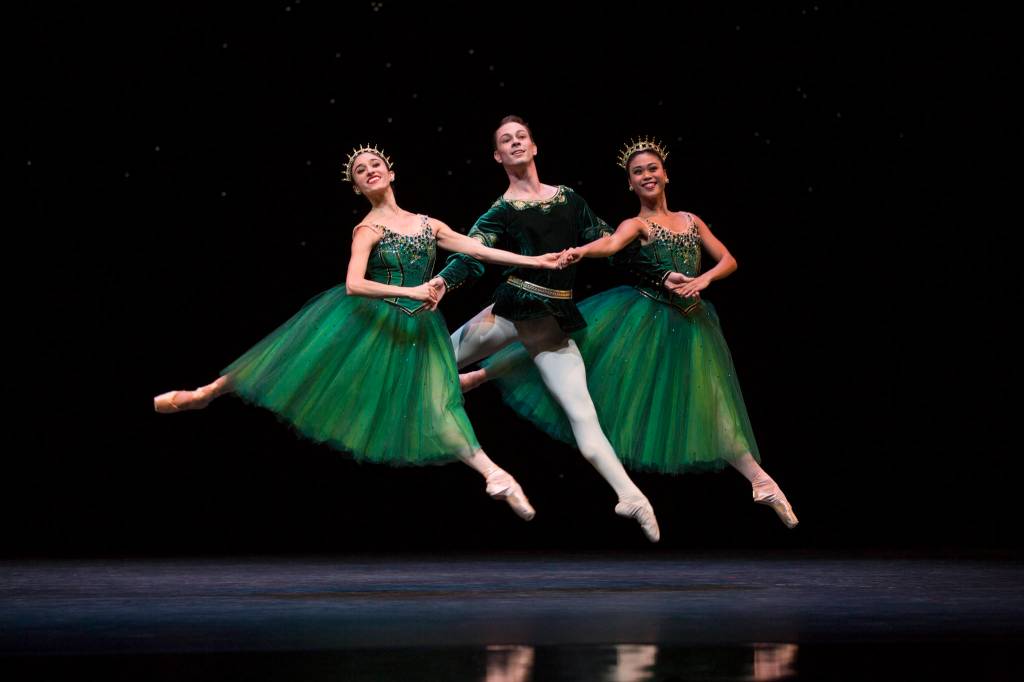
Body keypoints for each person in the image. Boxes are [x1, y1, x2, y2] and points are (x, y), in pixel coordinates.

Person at [152, 144, 572, 521]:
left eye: (375, 164)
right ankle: (207, 393)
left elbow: (477, 249)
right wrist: (410, 289)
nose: (368, 170)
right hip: (367, 320)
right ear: (356, 187)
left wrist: (536, 262)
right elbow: (355, 282)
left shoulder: (428, 224)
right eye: (359, 170)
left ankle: (495, 475)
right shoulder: (367, 228)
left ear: (391, 174)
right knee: (292, 363)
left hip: (415, 329)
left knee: (438, 403)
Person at [465, 137, 798, 528]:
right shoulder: (635, 223)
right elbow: (609, 244)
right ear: (630, 184)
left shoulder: (691, 220)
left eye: (652, 169)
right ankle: (483, 373)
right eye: (637, 172)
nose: (646, 175)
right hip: (642, 317)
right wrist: (581, 252)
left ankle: (761, 482)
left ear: (665, 174)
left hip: (691, 325)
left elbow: (728, 260)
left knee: (712, 406)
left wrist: (703, 280)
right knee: (574, 348)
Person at [429, 117, 670, 542]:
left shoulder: (569, 200)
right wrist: (443, 282)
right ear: (498, 156)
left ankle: (632, 496)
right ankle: (489, 470)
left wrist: (661, 276)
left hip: (550, 321)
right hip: (510, 309)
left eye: (521, 136)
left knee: (583, 414)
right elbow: (471, 253)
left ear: (535, 147)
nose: (515, 143)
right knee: (429, 365)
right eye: (506, 140)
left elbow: (610, 243)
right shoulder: (500, 212)